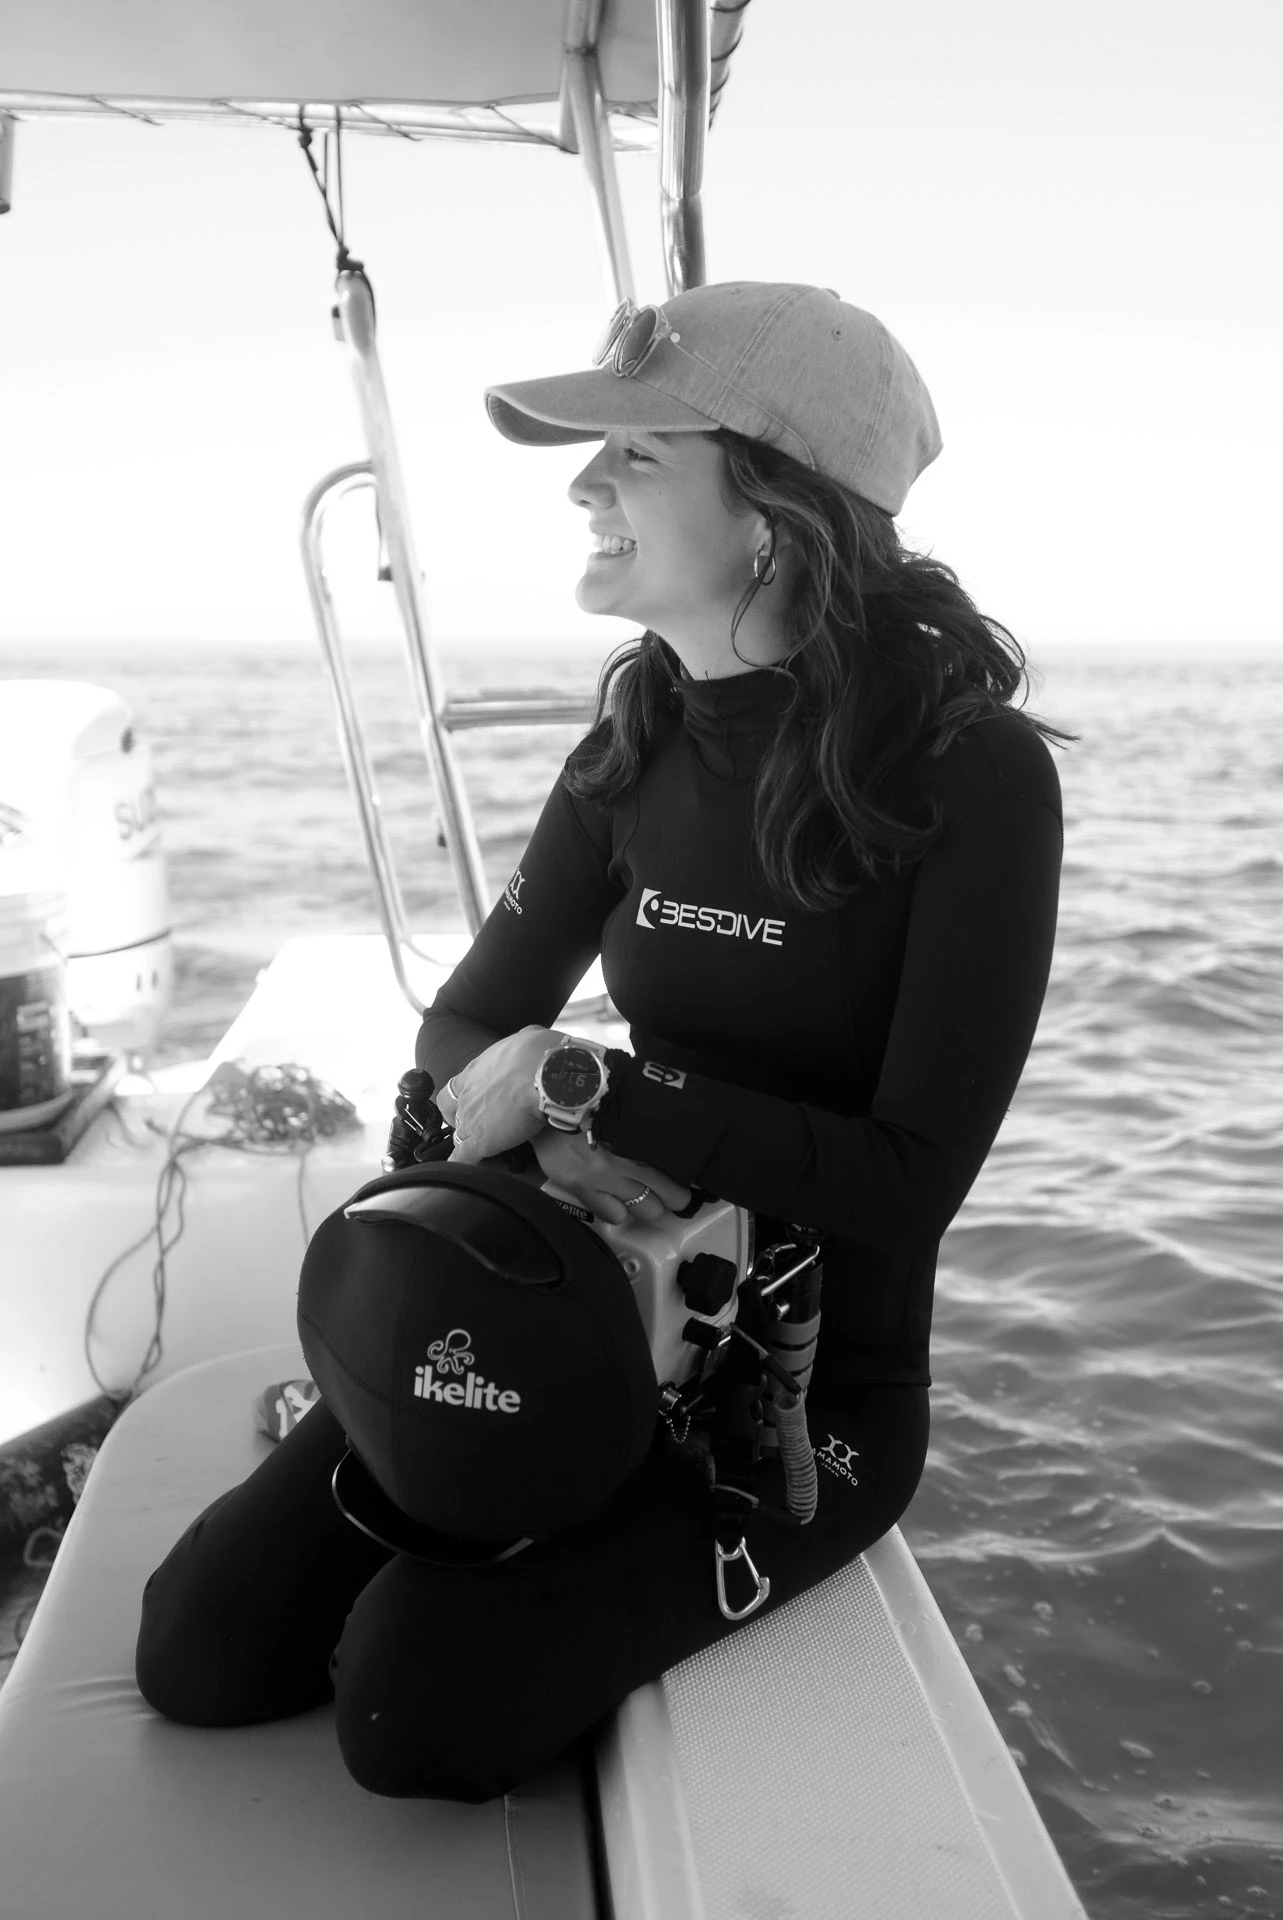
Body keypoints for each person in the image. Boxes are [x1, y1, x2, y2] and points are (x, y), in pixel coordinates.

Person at [135, 282, 1072, 1804]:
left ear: (777, 511)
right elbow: (462, 1020)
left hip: (799, 1401)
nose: (583, 486)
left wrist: (595, 1089)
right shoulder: (633, 741)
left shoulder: (972, 779)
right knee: (202, 1648)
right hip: (577, 1322)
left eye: (635, 453)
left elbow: (907, 1182)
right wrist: (566, 1136)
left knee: (410, 1714)